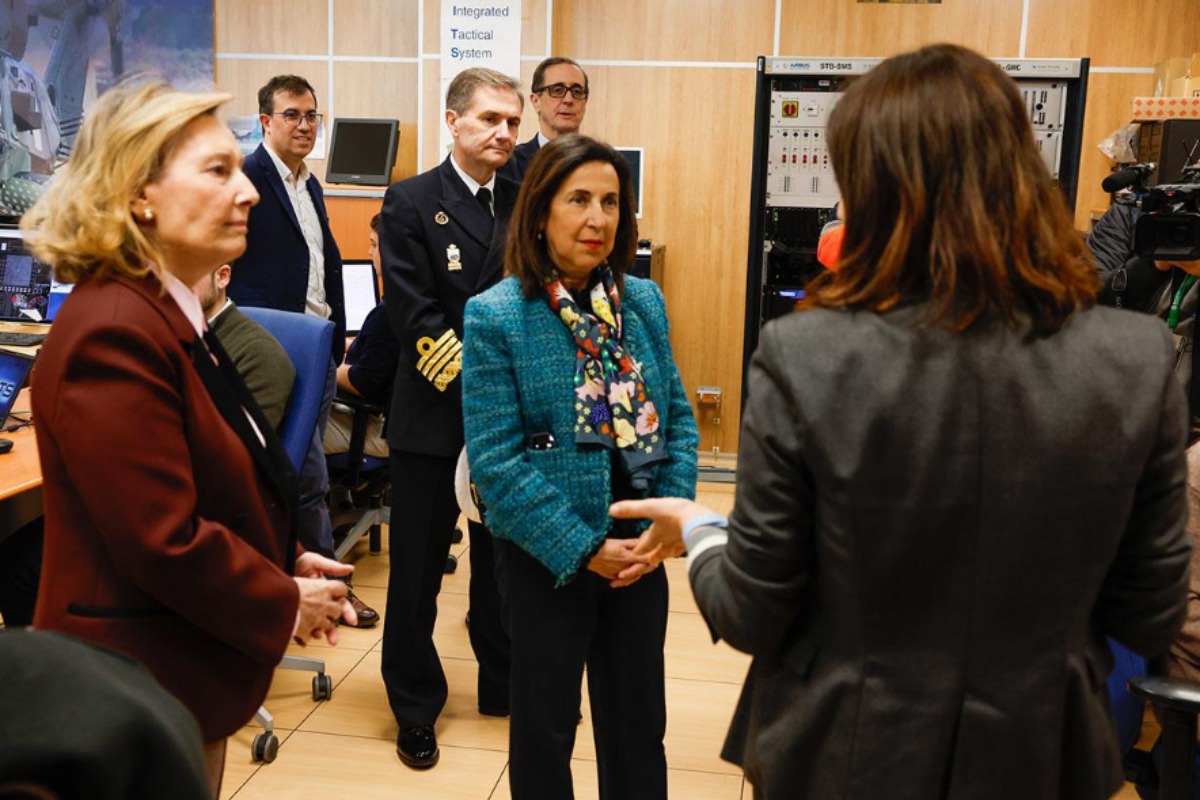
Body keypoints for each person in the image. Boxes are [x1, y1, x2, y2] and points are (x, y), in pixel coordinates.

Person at [610, 44, 1192, 800]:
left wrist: (700, 528)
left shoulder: (808, 355)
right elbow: (1149, 615)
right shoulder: (1138, 359)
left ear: (872, 190)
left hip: (846, 754)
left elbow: (753, 612)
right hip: (1043, 756)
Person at [20, 79, 357, 796]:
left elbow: (212, 477)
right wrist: (282, 600)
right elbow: (161, 537)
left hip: (171, 671)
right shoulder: (116, 329)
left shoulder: (167, 311)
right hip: (131, 681)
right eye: (217, 170)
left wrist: (284, 557)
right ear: (139, 193)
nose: (249, 192)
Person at [462, 134, 699, 800]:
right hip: (549, 558)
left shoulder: (642, 303)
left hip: (639, 554)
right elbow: (496, 464)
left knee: (637, 731)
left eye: (611, 202)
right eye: (579, 200)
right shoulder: (496, 316)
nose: (598, 218)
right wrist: (584, 548)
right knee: (545, 734)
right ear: (540, 213)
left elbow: (678, 420)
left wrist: (668, 521)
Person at [378, 67, 520, 769]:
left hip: (510, 420)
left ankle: (503, 681)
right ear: (453, 121)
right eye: (490, 118)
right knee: (417, 573)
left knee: (503, 564)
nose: (504, 133)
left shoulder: (525, 198)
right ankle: (414, 706)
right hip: (435, 417)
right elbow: (415, 316)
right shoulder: (410, 201)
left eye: (512, 122)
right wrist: (484, 388)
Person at [195, 263, 379, 628]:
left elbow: (228, 466)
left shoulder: (256, 353)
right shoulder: (181, 338)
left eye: (187, 270)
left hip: (206, 513)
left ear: (223, 276)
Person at [227, 74, 348, 596]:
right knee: (303, 475)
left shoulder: (309, 183)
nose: (304, 125)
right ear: (265, 122)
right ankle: (325, 584)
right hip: (271, 352)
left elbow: (320, 264)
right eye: (292, 115)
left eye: (311, 115)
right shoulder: (246, 180)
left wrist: (336, 336)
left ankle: (295, 579)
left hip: (317, 348)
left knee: (303, 471)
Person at [324, 214, 398, 459]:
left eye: (374, 245)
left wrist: (326, 366)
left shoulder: (387, 315)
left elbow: (363, 381)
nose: (369, 252)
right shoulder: (407, 303)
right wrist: (348, 345)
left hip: (371, 427)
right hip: (393, 422)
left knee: (295, 427)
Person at [193, 264, 295, 431]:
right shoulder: (171, 332)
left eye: (187, 272)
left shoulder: (261, 355)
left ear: (222, 277)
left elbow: (239, 443)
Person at [499, 56, 589, 183]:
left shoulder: (602, 163)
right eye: (557, 90)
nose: (568, 99)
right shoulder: (508, 163)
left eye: (577, 91)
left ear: (585, 102)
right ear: (536, 101)